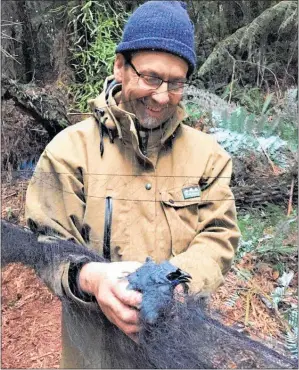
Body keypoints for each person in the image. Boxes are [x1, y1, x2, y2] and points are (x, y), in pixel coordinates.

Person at [25, 1, 240, 368]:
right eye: (152, 77)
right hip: (94, 357)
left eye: (175, 83)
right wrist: (91, 278)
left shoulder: (209, 158)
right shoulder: (69, 152)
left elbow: (219, 237)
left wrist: (175, 285)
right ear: (120, 66)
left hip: (176, 356)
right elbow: (45, 242)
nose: (161, 95)